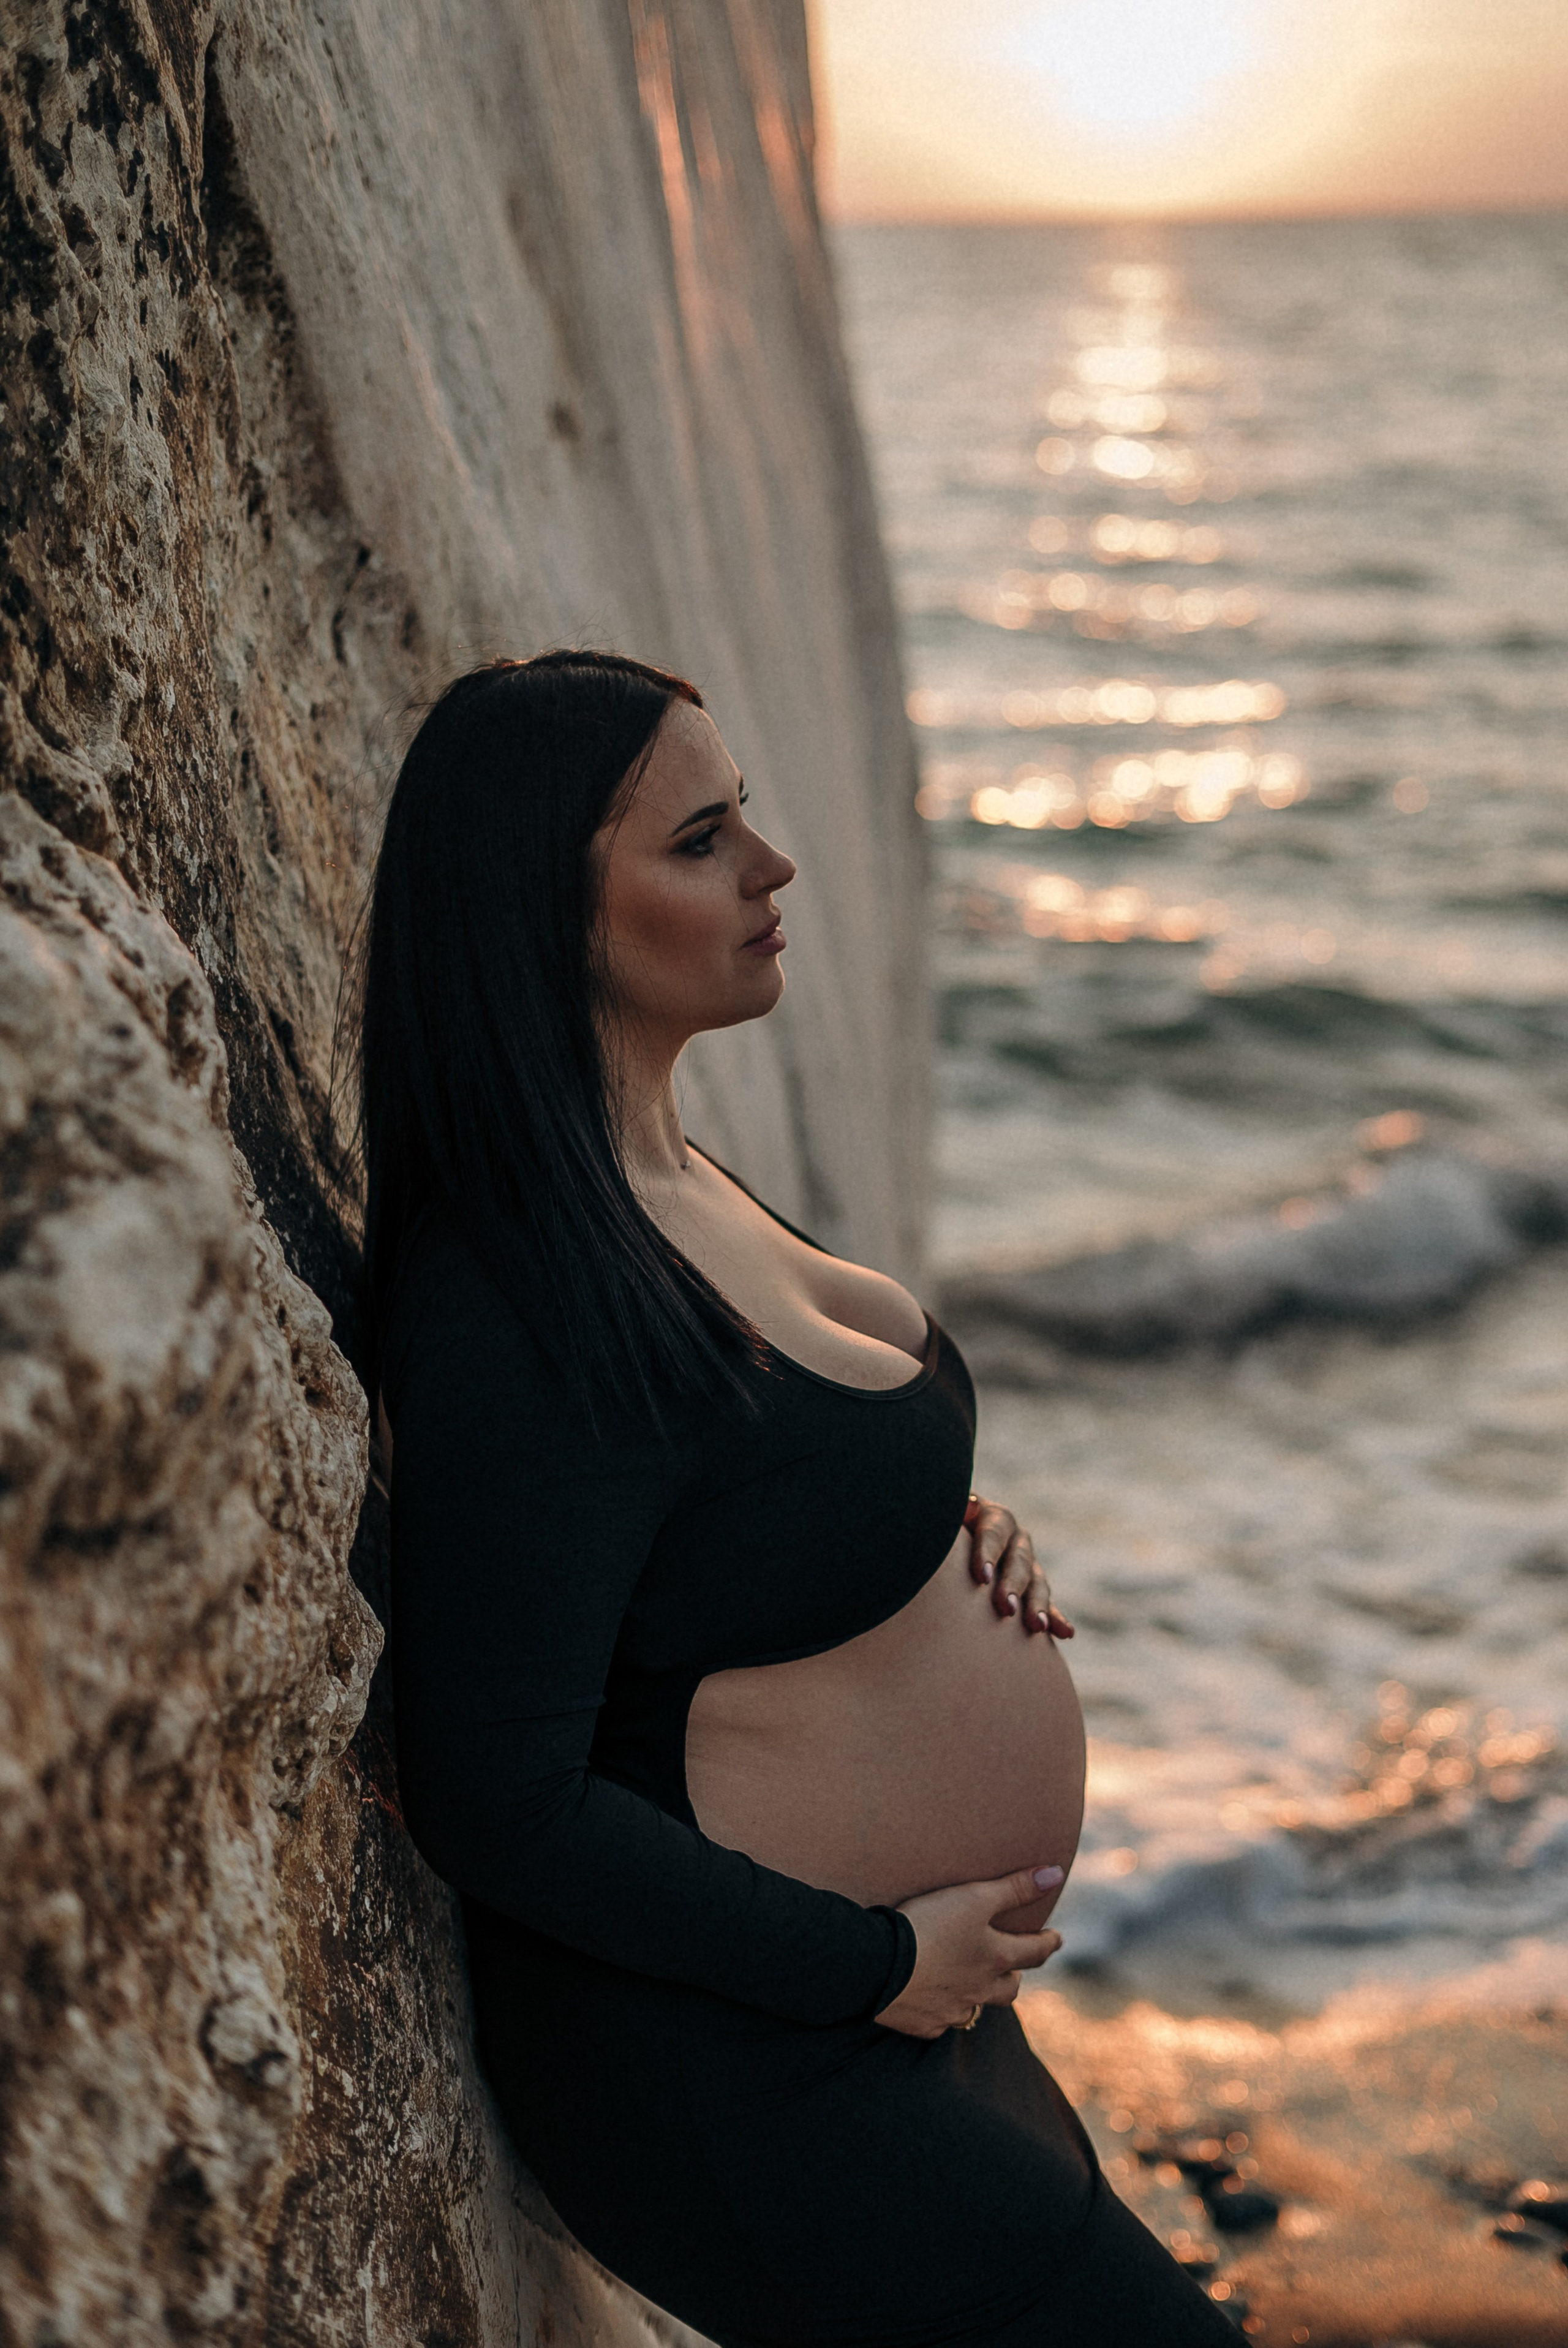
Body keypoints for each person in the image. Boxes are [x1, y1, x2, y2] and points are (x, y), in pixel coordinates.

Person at [359, 650, 1239, 2345]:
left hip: (905, 2013)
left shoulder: (658, 1171)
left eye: (747, 808)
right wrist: (872, 1964)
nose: (771, 867)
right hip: (742, 2061)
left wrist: (923, 1537)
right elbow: (500, 1796)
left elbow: (715, 1519)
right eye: (702, 839)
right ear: (549, 913)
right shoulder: (516, 1295)